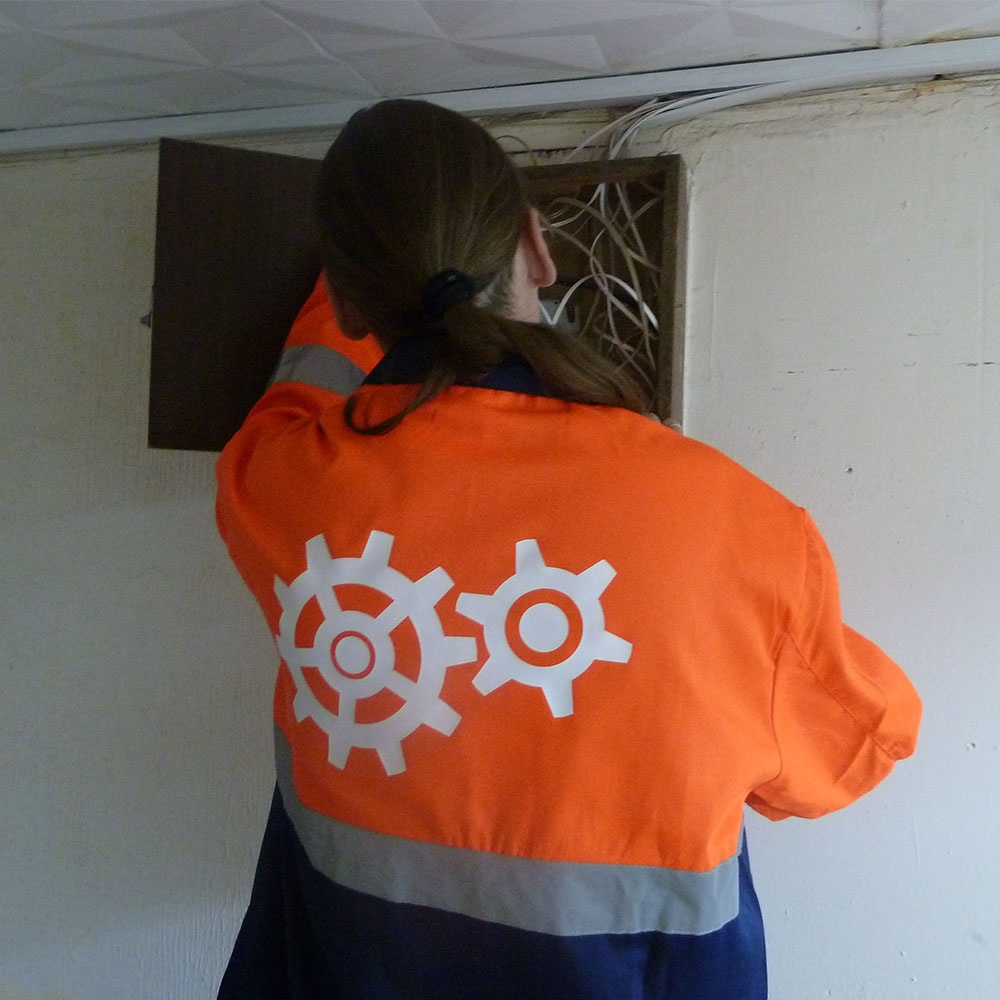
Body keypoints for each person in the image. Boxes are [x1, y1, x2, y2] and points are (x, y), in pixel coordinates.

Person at [215, 99, 921, 1000]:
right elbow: (854, 754)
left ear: (351, 303)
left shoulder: (283, 486)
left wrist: (353, 278)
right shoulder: (729, 522)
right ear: (535, 246)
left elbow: (292, 398)